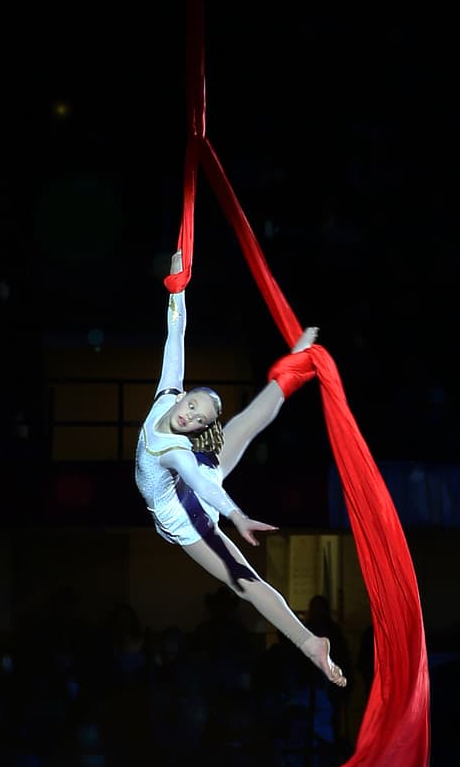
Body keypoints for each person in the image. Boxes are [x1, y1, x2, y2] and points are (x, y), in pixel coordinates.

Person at [133, 251, 346, 685]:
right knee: (242, 427)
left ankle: (310, 643)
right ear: (183, 396)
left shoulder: (175, 448)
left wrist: (234, 516)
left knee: (242, 581)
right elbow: (177, 334)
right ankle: (294, 369)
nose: (190, 416)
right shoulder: (167, 393)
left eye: (198, 420)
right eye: (192, 407)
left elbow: (199, 483)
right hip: (194, 483)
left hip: (188, 515)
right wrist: (178, 286)